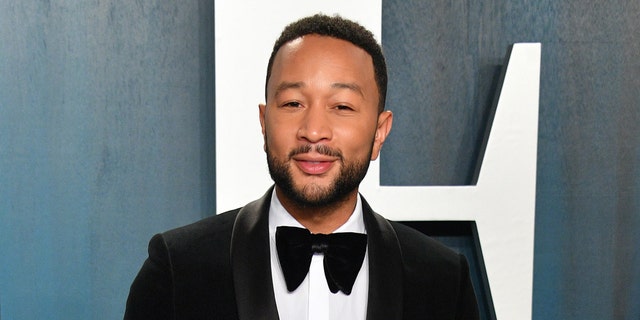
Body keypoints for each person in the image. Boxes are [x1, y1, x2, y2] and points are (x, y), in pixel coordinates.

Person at [124, 14, 479, 320]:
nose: (313, 131)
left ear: (380, 132)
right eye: (293, 102)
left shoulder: (444, 282)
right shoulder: (177, 270)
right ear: (264, 123)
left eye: (341, 106)